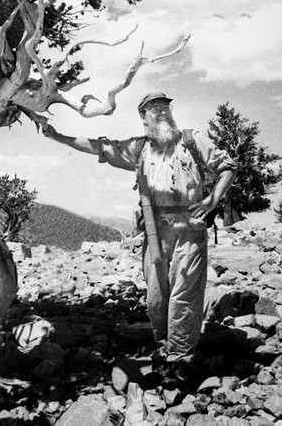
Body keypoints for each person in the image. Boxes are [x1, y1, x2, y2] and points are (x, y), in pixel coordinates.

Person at [42, 92, 236, 383]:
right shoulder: (139, 149)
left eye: (164, 107)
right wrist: (58, 137)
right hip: (154, 232)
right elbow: (101, 148)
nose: (160, 112)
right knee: (156, 300)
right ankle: (164, 352)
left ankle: (180, 361)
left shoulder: (192, 140)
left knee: (184, 297)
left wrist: (212, 200)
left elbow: (227, 167)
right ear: (143, 117)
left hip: (189, 230)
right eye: (152, 108)